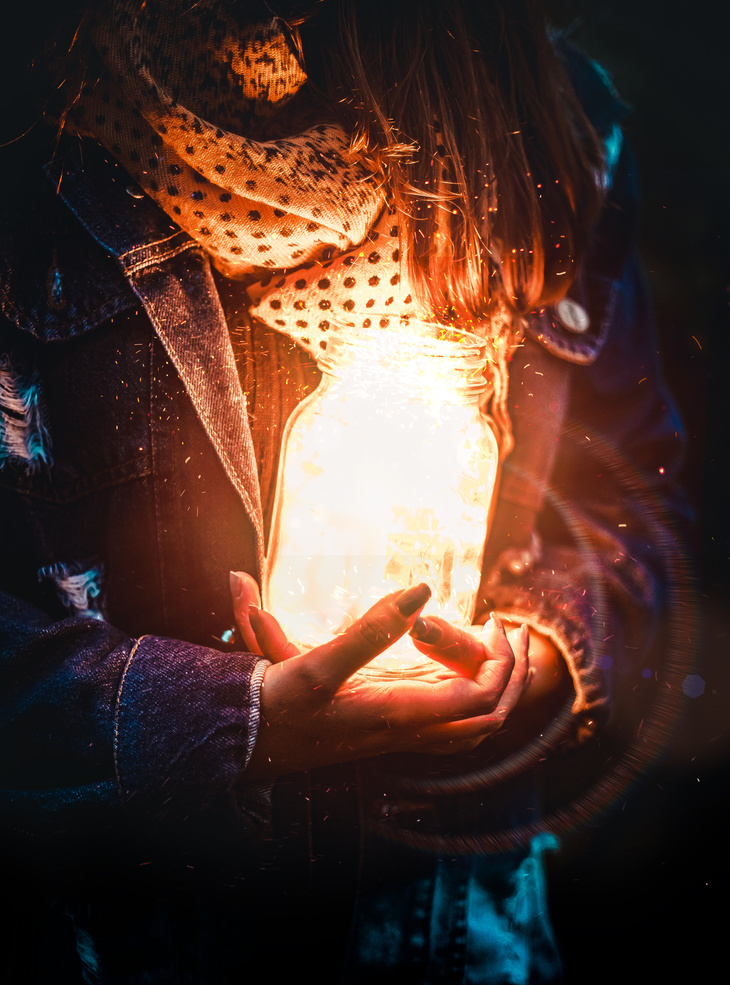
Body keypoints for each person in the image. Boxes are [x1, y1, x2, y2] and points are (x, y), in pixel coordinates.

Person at [0, 1, 687, 981]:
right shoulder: (36, 127)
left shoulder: (551, 120)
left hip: (450, 936)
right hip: (121, 934)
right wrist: (226, 719)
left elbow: (642, 501)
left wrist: (535, 653)